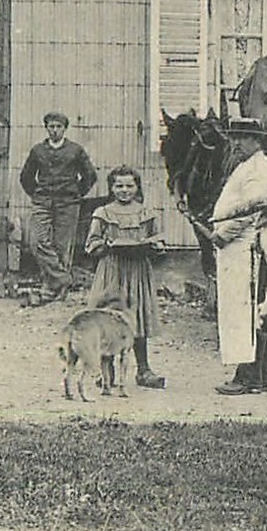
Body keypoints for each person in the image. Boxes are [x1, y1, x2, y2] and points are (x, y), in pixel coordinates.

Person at [210, 118, 267, 396]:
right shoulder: (246, 165)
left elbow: (253, 209)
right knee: (247, 311)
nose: (236, 142)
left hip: (245, 247)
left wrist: (223, 233)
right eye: (234, 137)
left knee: (245, 310)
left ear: (257, 140)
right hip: (236, 248)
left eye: (243, 137)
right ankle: (259, 376)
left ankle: (247, 376)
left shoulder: (259, 169)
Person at [83, 166, 167, 388]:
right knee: (110, 318)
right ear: (111, 188)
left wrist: (153, 247)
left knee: (138, 316)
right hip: (112, 271)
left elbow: (158, 241)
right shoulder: (103, 213)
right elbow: (90, 244)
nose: (124, 190)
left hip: (138, 273)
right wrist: (108, 246)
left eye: (129, 185)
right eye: (119, 185)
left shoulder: (146, 213)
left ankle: (144, 370)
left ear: (137, 187)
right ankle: (105, 371)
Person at [20, 111, 97, 302]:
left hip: (68, 203)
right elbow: (26, 177)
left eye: (58, 127)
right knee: (37, 242)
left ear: (65, 129)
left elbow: (90, 176)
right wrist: (38, 194)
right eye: (51, 127)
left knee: (63, 247)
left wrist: (76, 194)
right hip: (43, 202)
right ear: (46, 128)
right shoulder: (38, 151)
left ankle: (52, 290)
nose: (55, 130)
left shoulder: (76, 150)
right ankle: (64, 279)